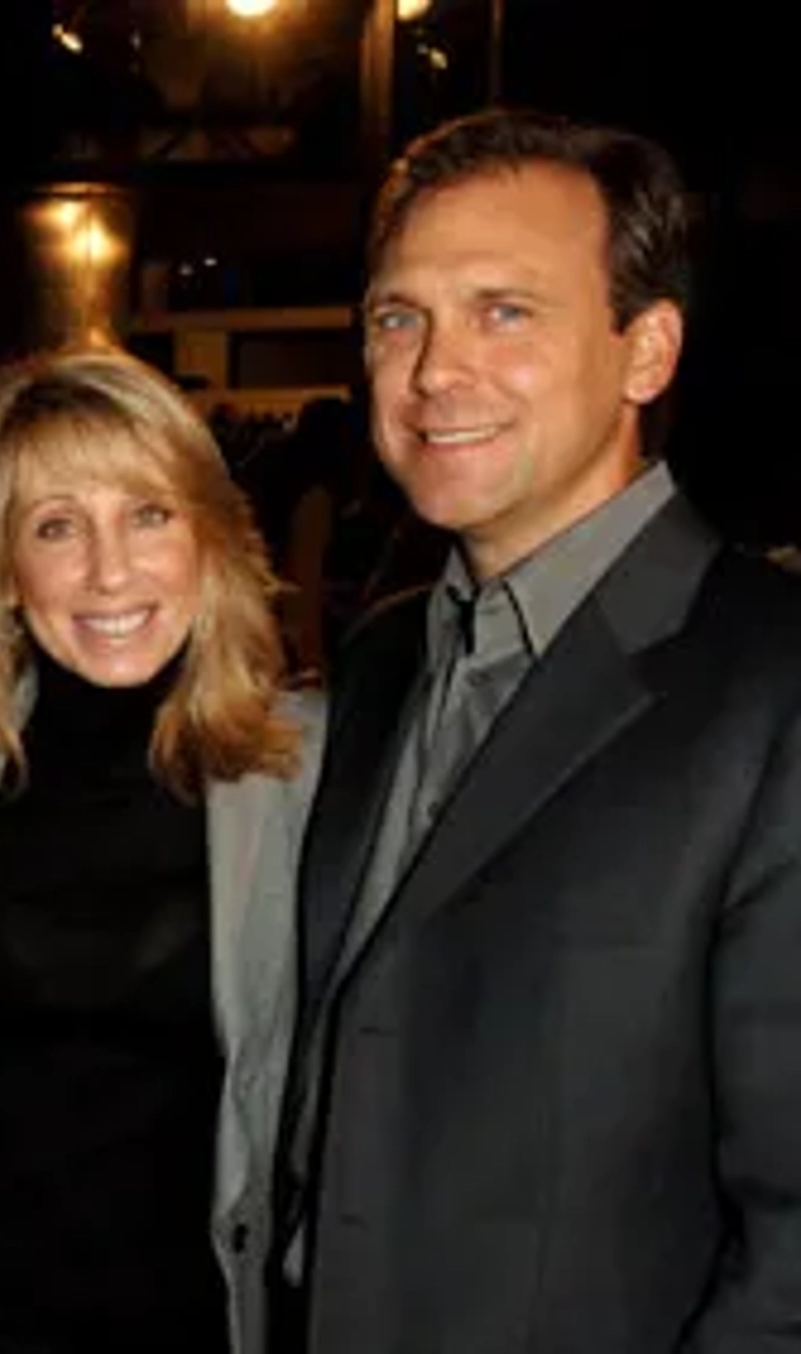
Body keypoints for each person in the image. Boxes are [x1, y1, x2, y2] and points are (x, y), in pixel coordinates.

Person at [270, 108, 801, 1352]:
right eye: (399, 318)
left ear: (646, 351)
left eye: (504, 311)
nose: (433, 370)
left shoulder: (774, 684)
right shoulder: (385, 654)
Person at [0, 347, 324, 1354]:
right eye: (55, 527)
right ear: (1, 571)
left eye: (148, 514)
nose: (109, 570)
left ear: (209, 535)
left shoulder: (305, 772)